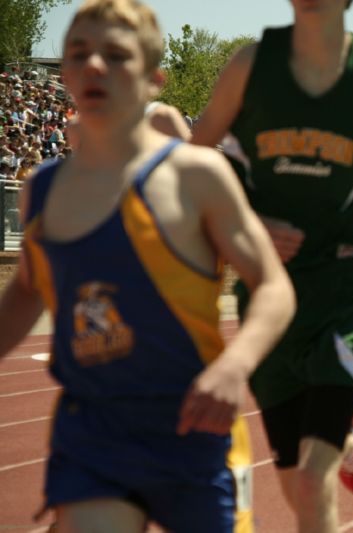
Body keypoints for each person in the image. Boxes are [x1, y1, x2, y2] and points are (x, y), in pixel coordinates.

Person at [0, 1, 296, 531]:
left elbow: (273, 286)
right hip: (92, 433)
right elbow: (27, 287)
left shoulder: (196, 176)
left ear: (154, 77)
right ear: (64, 72)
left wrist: (235, 366)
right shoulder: (41, 190)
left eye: (116, 55)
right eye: (80, 54)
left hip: (193, 427)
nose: (94, 66)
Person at [190, 1, 353, 531]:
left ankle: (341, 424)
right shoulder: (250, 66)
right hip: (268, 292)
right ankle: (347, 431)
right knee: (294, 482)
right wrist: (246, 223)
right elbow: (190, 164)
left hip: (344, 288)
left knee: (311, 481)